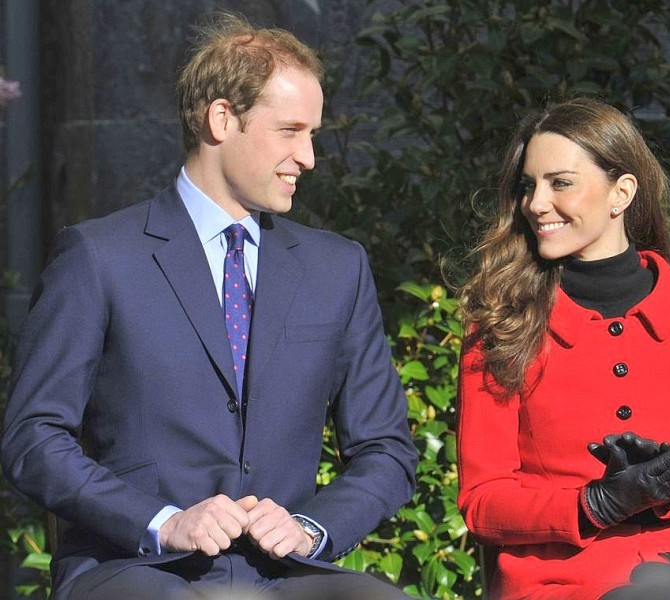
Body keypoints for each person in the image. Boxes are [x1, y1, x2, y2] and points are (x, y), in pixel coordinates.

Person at [1, 12, 417, 600]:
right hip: (137, 569)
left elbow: (386, 450)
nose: (309, 157)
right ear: (222, 119)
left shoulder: (337, 268)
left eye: (313, 134)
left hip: (286, 573)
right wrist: (162, 521)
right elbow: (33, 437)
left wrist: (310, 528)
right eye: (291, 130)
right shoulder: (99, 257)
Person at [456, 97, 670, 600]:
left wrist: (665, 485)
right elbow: (482, 502)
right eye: (529, 186)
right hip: (557, 585)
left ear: (621, 192)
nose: (536, 203)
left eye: (561, 183)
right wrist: (594, 504)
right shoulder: (500, 320)